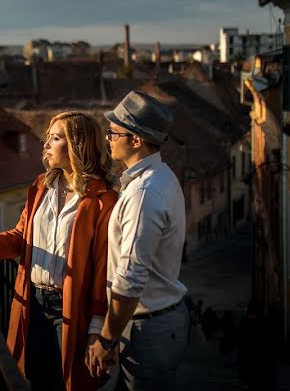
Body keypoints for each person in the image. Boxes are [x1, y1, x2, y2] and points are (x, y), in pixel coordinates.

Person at [0, 111, 118, 390]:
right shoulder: (40, 186)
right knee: (34, 378)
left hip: (72, 307)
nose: (45, 144)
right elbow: (21, 238)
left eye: (55, 138)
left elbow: (102, 269)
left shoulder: (103, 201)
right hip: (32, 301)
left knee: (69, 381)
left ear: (78, 145)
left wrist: (98, 330)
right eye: (47, 137)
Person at [88, 91, 189, 391]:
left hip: (147, 327)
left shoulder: (144, 194)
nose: (108, 138)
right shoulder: (161, 176)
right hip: (155, 321)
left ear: (135, 140)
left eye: (114, 132)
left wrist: (106, 338)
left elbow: (130, 280)